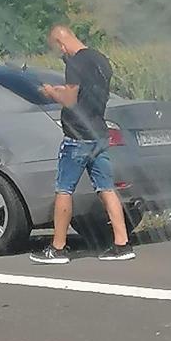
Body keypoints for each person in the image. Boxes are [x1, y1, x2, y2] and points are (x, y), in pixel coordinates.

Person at [29, 25, 135, 264]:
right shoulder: (100, 60)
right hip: (99, 133)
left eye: (58, 49)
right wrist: (63, 90)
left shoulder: (75, 63)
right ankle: (122, 244)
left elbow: (70, 100)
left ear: (61, 43)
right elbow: (87, 92)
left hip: (77, 136)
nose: (61, 54)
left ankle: (58, 248)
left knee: (64, 189)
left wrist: (51, 92)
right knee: (106, 188)